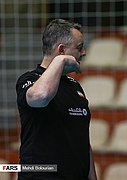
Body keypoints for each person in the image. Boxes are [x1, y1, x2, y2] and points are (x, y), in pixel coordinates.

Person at [16, 19, 97, 180]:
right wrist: (61, 61)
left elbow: (83, 141)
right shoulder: (30, 79)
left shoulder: (75, 86)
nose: (84, 53)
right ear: (61, 50)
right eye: (79, 47)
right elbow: (41, 96)